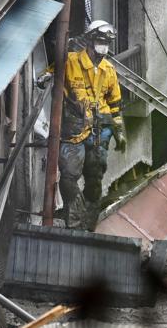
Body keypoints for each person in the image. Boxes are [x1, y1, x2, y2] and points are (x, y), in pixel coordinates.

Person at [42, 20, 126, 229]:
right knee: (69, 175)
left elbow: (115, 104)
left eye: (106, 42)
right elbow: (49, 74)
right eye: (99, 41)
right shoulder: (70, 61)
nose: (103, 46)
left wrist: (119, 132)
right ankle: (76, 217)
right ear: (90, 40)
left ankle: (89, 222)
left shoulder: (109, 69)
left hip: (100, 130)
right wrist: (44, 77)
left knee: (95, 177)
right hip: (74, 128)